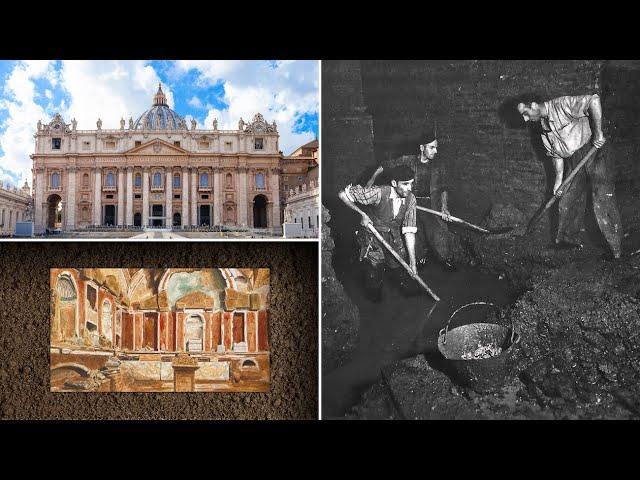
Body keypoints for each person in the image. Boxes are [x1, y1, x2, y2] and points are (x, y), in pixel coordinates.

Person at [517, 94, 622, 258]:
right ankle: (568, 241)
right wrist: (559, 182)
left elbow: (593, 100)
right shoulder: (543, 128)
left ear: (535, 106)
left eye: (525, 113)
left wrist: (598, 132)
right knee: (568, 197)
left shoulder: (562, 105)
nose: (525, 119)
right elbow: (556, 156)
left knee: (602, 196)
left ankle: (615, 250)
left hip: (595, 148)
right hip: (575, 157)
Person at [365, 118, 467, 269]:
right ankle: (419, 260)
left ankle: (446, 258)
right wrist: (371, 181)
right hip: (412, 204)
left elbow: (444, 188)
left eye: (436, 147)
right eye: (432, 147)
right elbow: (385, 165)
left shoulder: (439, 166)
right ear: (422, 148)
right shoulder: (408, 160)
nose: (436, 151)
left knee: (437, 234)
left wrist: (444, 208)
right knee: (414, 233)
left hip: (431, 205)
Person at [338, 165, 418, 301]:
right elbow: (342, 194)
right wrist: (362, 214)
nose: (409, 188)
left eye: (411, 184)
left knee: (400, 270)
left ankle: (404, 290)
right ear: (394, 183)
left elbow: (409, 232)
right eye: (405, 184)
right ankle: (374, 295)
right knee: (374, 280)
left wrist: (413, 261)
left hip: (393, 238)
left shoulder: (411, 200)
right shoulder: (379, 193)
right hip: (373, 238)